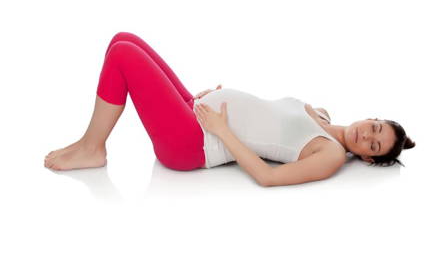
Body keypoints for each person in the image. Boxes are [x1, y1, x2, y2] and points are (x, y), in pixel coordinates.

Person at [44, 32, 415, 187]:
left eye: (373, 146)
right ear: (372, 117)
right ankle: (89, 145)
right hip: (197, 111)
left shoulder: (331, 154)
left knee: (123, 56)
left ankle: (92, 148)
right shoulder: (322, 115)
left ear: (367, 159)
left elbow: (268, 179)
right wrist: (216, 99)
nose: (366, 136)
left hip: (193, 144)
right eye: (375, 128)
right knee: (123, 40)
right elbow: (265, 117)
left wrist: (223, 130)